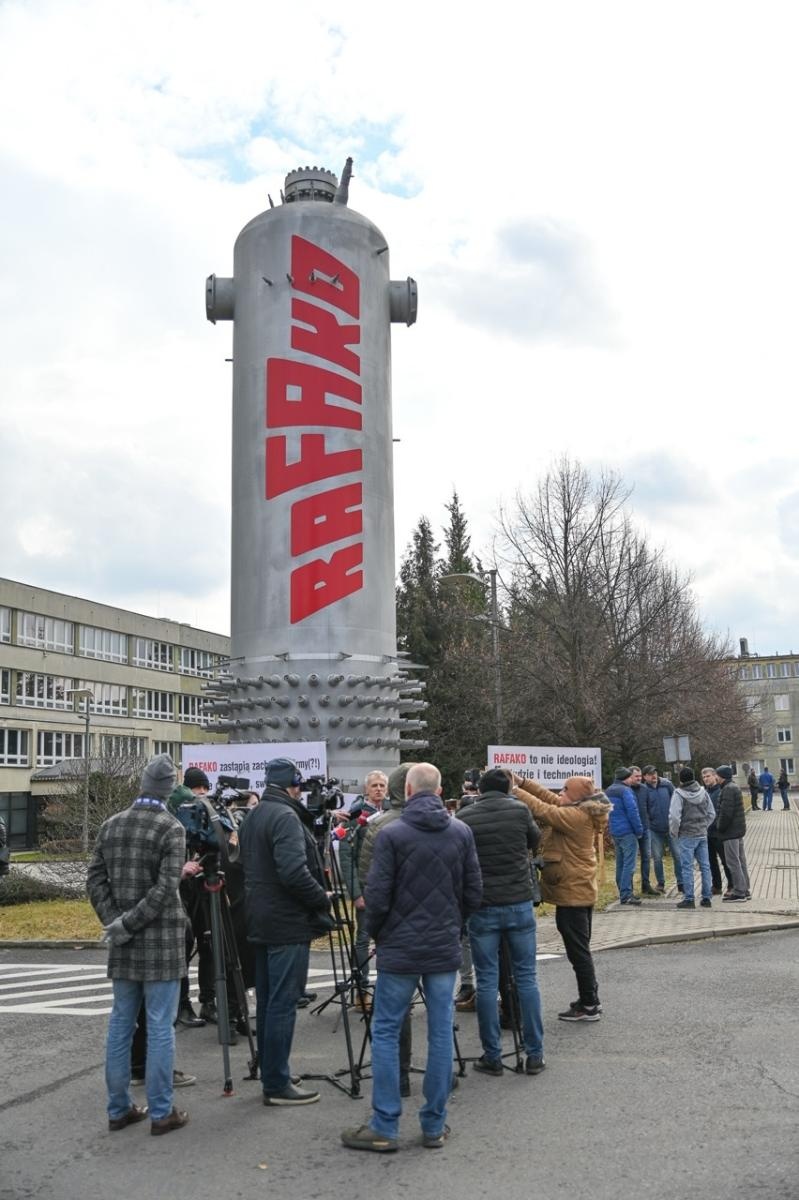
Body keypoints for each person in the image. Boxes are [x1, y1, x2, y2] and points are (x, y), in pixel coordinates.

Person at [340, 762, 482, 1153]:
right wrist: (453, 925)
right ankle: (434, 1124)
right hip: (442, 947)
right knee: (440, 1031)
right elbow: (473, 892)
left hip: (399, 948)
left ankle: (385, 1124)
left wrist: (381, 934)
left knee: (386, 1030)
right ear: (439, 791)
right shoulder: (461, 832)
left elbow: (377, 895)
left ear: (406, 791)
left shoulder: (391, 833)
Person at [86, 753, 189, 1136]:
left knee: (120, 1024)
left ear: (142, 784)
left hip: (123, 942)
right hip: (161, 941)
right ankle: (162, 1113)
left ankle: (119, 1109)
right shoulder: (171, 828)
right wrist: (128, 923)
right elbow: (166, 889)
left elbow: (94, 880)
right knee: (160, 1026)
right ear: (168, 789)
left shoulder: (111, 824)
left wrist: (116, 922)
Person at [239, 757, 333, 1106]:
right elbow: (293, 872)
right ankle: (277, 1083)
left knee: (267, 1001)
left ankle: (272, 1070)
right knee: (283, 1002)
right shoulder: (285, 816)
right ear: (293, 785)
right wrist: (320, 898)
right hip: (286, 921)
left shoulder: (255, 815)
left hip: (260, 917)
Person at [458, 768, 545, 1075]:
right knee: (526, 978)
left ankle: (492, 1055)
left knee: (486, 981)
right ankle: (535, 1054)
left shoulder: (465, 817)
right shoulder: (519, 810)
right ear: (508, 787)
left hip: (484, 906)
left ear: (479, 790)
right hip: (518, 902)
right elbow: (535, 841)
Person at [513, 773, 610, 1021]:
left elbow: (543, 810)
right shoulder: (581, 809)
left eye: (565, 790)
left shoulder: (576, 816)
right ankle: (590, 998)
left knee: (578, 952)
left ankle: (589, 1004)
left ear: (576, 796)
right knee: (580, 948)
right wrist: (523, 782)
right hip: (578, 890)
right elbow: (549, 799)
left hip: (573, 893)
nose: (560, 793)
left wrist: (513, 789)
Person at [337, 770, 387, 1008]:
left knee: (388, 939)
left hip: (388, 887)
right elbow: (347, 857)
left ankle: (388, 989)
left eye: (382, 785)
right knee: (363, 939)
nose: (378, 789)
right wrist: (356, 892)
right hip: (366, 887)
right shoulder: (355, 816)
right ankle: (362, 989)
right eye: (374, 785)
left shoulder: (392, 812)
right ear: (366, 789)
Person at [669, 768, 715, 909]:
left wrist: (675, 832)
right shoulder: (703, 792)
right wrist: (704, 826)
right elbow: (711, 813)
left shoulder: (678, 793)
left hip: (686, 835)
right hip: (701, 834)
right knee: (705, 866)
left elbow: (674, 817)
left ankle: (689, 898)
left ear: (681, 779)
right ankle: (706, 898)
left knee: (687, 867)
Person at [606, 767, 644, 905]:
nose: (631, 779)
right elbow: (632, 811)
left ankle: (622, 891)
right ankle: (626, 894)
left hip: (615, 831)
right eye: (629, 777)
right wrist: (639, 830)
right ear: (625, 778)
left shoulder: (608, 790)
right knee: (629, 864)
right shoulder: (626, 791)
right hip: (628, 831)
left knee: (620, 863)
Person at [642, 766, 681, 894]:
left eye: (655, 772)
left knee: (677, 855)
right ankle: (661, 883)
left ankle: (681, 882)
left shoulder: (667, 785)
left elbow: (676, 801)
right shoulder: (644, 789)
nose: (653, 775)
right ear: (644, 777)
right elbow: (644, 808)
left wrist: (676, 821)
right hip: (654, 829)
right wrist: (649, 822)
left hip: (671, 828)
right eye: (650, 774)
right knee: (657, 857)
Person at [715, 766, 750, 901]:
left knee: (733, 862)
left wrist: (719, 827)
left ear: (722, 776)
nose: (715, 777)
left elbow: (726, 813)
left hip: (730, 832)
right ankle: (745, 889)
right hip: (737, 831)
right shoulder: (733, 786)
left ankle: (739, 892)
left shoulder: (728, 789)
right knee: (740, 861)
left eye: (717, 775)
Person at [700, 767, 732, 896]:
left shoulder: (721, 791)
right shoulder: (704, 793)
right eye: (704, 777)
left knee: (726, 860)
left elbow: (723, 812)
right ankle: (716, 886)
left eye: (708, 776)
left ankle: (731, 885)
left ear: (715, 776)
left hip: (719, 833)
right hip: (707, 832)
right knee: (711, 861)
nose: (706, 779)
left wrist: (720, 827)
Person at [629, 766, 657, 895]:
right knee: (631, 860)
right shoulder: (626, 789)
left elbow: (649, 806)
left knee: (646, 857)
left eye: (640, 776)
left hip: (645, 828)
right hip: (631, 830)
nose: (639, 778)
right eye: (636, 776)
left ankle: (646, 885)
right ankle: (629, 888)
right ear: (630, 776)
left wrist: (648, 820)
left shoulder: (645, 789)